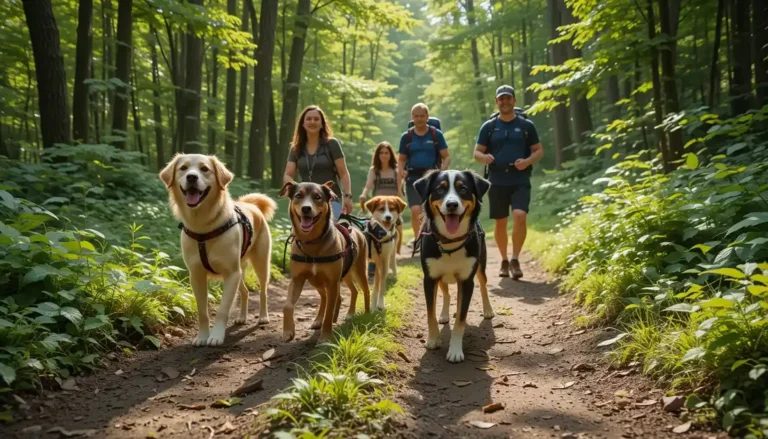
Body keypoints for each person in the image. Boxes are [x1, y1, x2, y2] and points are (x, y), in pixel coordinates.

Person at [473, 85, 543, 279]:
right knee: (501, 222)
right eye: (501, 99)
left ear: (514, 100)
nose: (504, 102)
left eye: (508, 98)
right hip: (496, 179)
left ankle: (515, 259)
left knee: (520, 216)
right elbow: (477, 152)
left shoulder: (526, 126)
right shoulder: (489, 127)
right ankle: (504, 259)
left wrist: (527, 161)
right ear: (497, 102)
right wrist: (484, 157)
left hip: (520, 179)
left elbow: (538, 150)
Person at [283, 105, 354, 220]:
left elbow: (344, 173)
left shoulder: (332, 144)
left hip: (330, 200)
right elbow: (288, 174)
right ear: (303, 123)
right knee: (301, 234)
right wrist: (295, 189)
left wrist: (348, 196)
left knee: (329, 234)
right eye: (309, 119)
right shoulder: (296, 148)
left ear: (322, 124)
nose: (312, 122)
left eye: (316, 119)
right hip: (304, 202)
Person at [398, 103, 450, 247]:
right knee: (416, 210)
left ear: (427, 117)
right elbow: (401, 160)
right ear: (412, 117)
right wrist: (400, 176)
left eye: (422, 116)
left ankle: (438, 237)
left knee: (434, 210)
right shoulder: (406, 137)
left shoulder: (436, 134)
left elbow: (446, 156)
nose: (419, 119)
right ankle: (419, 240)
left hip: (432, 179)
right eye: (416, 116)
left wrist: (442, 172)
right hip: (413, 179)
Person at [359, 141, 404, 278]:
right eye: (381, 153)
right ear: (377, 155)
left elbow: (399, 188)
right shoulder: (374, 170)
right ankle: (372, 264)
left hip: (392, 207)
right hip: (379, 208)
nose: (384, 155)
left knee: (398, 231)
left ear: (391, 154)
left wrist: (401, 201)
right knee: (373, 234)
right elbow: (368, 185)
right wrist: (364, 195)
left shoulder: (396, 171)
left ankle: (393, 256)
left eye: (386, 152)